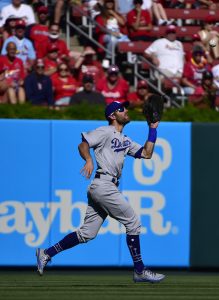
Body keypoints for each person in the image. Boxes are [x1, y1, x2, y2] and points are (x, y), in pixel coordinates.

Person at [36, 100, 165, 283]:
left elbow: (147, 153)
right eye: (122, 109)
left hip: (105, 187)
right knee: (133, 222)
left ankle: (47, 253)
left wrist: (152, 128)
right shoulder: (105, 132)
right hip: (103, 184)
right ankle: (139, 270)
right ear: (113, 115)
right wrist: (88, 159)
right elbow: (83, 144)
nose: (126, 110)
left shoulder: (125, 139)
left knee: (87, 234)